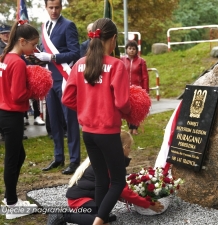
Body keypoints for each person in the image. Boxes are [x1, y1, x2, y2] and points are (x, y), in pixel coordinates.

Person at [62, 18, 132, 225]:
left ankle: (101, 218)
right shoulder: (116, 65)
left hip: (88, 132)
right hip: (108, 132)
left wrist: (86, 108)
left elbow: (67, 98)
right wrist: (131, 112)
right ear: (113, 39)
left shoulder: (80, 64)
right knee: (118, 181)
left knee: (102, 178)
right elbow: (122, 102)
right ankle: (99, 221)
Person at [46, 131, 164, 225]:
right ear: (123, 147)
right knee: (101, 219)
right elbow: (123, 190)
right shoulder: (113, 163)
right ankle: (62, 215)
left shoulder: (104, 157)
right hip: (80, 200)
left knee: (108, 217)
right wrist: (149, 204)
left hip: (84, 198)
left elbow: (112, 188)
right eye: (129, 147)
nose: (130, 151)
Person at [36, 0, 81, 175]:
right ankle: (58, 157)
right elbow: (43, 51)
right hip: (49, 79)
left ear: (61, 7)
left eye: (57, 7)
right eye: (51, 7)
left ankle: (75, 160)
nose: (54, 11)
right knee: (54, 120)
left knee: (70, 120)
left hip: (64, 79)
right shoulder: (44, 26)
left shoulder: (68, 25)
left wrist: (52, 57)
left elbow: (75, 53)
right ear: (46, 8)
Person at [0, 20, 38, 219]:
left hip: (4, 112)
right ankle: (12, 206)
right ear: (22, 41)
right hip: (11, 114)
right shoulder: (17, 62)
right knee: (12, 159)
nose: (34, 48)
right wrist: (34, 90)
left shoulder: (6, 56)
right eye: (32, 44)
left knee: (18, 156)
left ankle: (10, 197)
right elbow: (17, 94)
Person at [120, 40, 149, 135]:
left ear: (137, 50)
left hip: (138, 89)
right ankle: (130, 127)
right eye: (129, 48)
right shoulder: (122, 60)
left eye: (133, 49)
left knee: (137, 109)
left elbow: (145, 77)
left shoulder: (141, 61)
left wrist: (145, 90)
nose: (131, 50)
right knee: (128, 109)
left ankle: (135, 128)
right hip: (126, 88)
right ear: (126, 49)